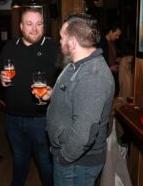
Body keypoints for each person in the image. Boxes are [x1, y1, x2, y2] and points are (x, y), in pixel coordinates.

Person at [43, 13, 115, 186]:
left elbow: (84, 134)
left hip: (76, 164)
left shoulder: (93, 75)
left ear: (73, 42)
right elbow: (78, 97)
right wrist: (53, 95)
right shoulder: (77, 64)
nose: (59, 41)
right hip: (73, 160)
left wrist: (65, 157)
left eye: (62, 37)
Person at [0, 7, 59, 186]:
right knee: (19, 159)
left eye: (39, 24)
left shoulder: (54, 48)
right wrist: (0, 78)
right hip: (12, 117)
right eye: (29, 24)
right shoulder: (9, 47)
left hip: (41, 119)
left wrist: (54, 91)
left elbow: (66, 82)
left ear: (44, 26)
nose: (34, 29)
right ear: (21, 26)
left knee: (45, 162)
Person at [98, 25, 122, 95]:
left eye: (118, 36)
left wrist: (119, 59)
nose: (117, 37)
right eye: (116, 35)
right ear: (110, 32)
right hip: (103, 75)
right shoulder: (101, 42)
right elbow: (99, 59)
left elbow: (111, 57)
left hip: (111, 74)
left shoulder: (113, 43)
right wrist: (109, 67)